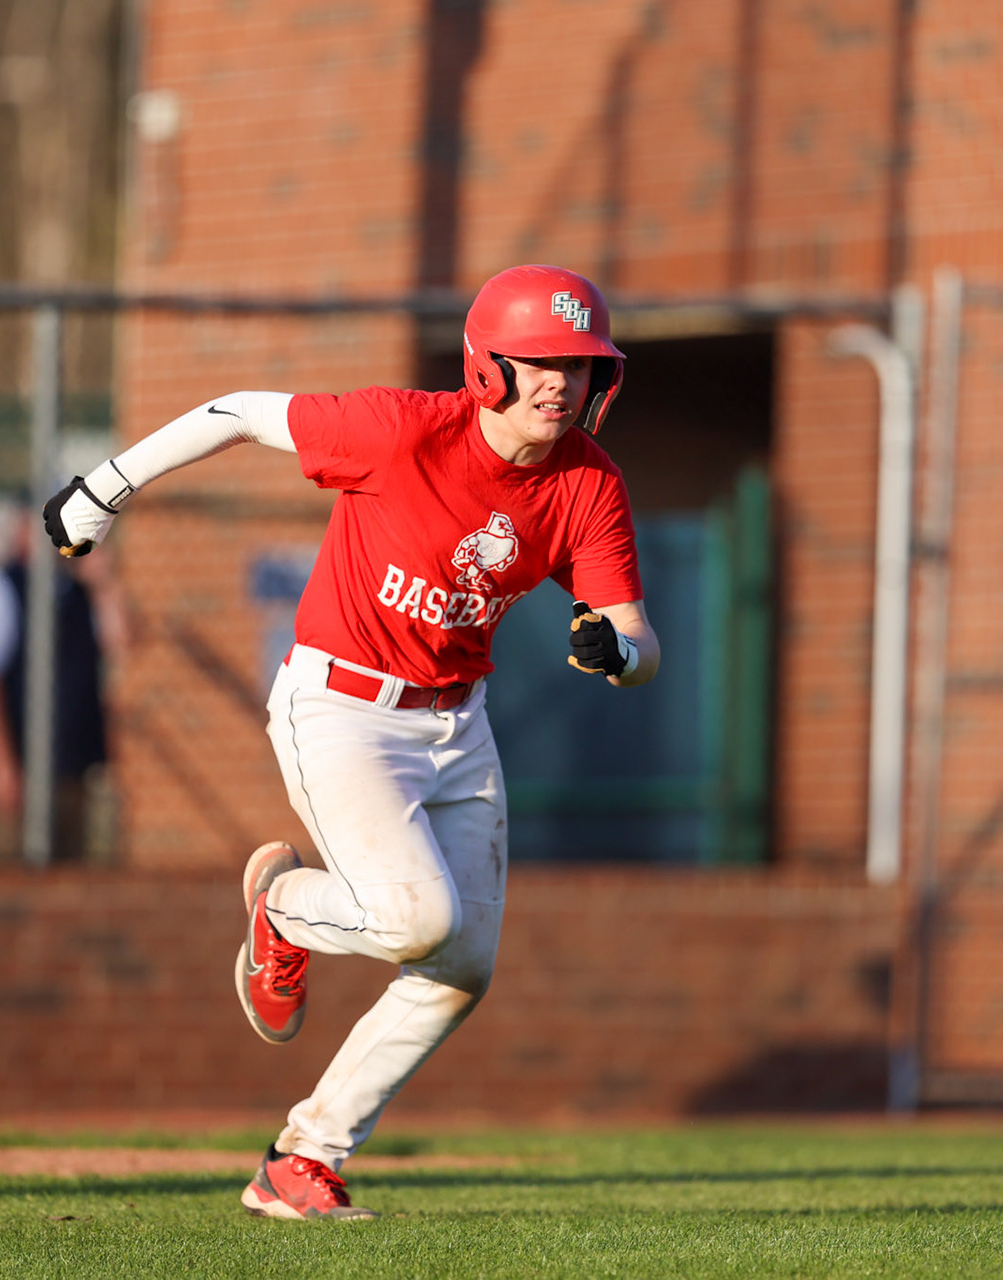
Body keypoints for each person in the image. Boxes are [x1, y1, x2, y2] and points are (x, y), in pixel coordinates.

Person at [44, 264, 659, 1220]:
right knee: (418, 921)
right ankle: (283, 911)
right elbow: (242, 410)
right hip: (342, 706)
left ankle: (303, 1162)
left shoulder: (589, 481)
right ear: (486, 366)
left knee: (462, 966)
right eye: (538, 361)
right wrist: (107, 487)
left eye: (579, 365)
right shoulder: (405, 428)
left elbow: (639, 639)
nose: (560, 383)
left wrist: (618, 651)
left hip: (458, 719)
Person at [0, 502, 118, 862]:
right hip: (17, 770)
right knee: (3, 881)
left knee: (68, 885)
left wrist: (104, 584)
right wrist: (0, 762)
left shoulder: (78, 589)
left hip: (68, 769)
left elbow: (122, 640)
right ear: (24, 526)